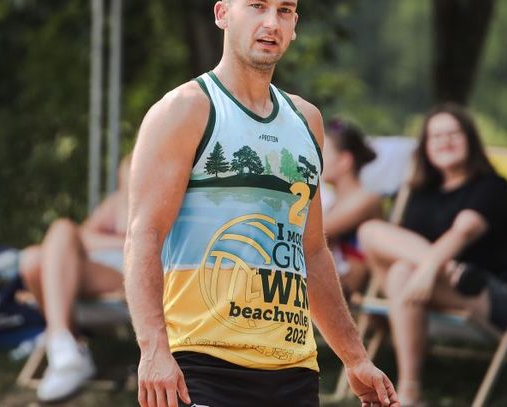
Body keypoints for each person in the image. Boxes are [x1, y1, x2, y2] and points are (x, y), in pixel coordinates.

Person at [124, 1, 399, 407]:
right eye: (257, 6)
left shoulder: (307, 120)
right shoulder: (185, 108)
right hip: (202, 365)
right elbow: (143, 235)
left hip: (294, 370)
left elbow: (312, 251)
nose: (271, 22)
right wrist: (152, 350)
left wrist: (355, 358)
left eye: (284, 10)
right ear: (222, 14)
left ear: (295, 24)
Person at [359, 103, 507, 406]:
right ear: (426, 147)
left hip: (491, 294)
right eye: (436, 136)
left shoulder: (491, 187)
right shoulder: (420, 194)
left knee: (403, 272)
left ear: (470, 139)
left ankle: (410, 392)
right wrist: (435, 268)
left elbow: (463, 231)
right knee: (373, 235)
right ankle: (410, 393)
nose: (445, 141)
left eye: (453, 134)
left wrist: (430, 268)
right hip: (430, 287)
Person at [0, 155, 131, 402]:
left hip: (125, 272)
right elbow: (82, 236)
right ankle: (65, 343)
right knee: (33, 257)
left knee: (59, 235)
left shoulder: (164, 201)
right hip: (89, 267)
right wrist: (119, 240)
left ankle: (61, 345)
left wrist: (118, 242)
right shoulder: (116, 203)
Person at [322, 118, 382, 295]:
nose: (316, 160)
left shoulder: (365, 198)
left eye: (323, 153)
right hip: (330, 283)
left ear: (344, 161)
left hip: (347, 289)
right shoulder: (333, 202)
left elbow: (317, 232)